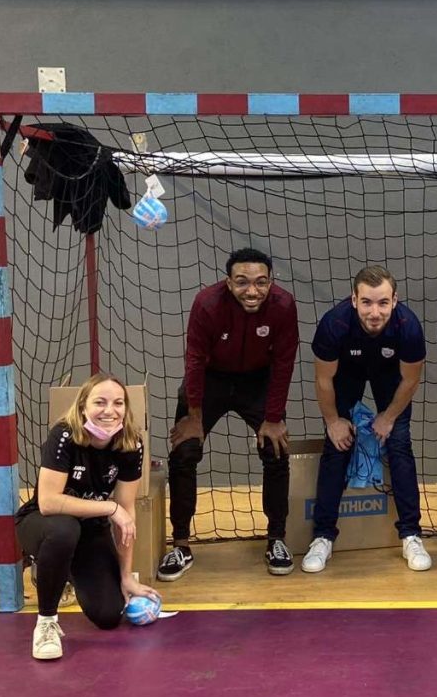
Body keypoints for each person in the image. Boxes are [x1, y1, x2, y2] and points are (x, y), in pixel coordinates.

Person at [159, 247, 300, 581]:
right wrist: (194, 416)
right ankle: (181, 545)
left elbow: (284, 362)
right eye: (242, 282)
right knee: (184, 452)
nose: (252, 291)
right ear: (228, 282)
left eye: (260, 282)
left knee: (276, 449)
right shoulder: (207, 304)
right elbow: (195, 359)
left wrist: (273, 417)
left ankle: (276, 540)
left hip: (257, 380)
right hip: (211, 379)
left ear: (270, 282)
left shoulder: (283, 305)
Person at [16, 374, 159, 660]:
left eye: (118, 403)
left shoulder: (131, 443)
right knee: (63, 531)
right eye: (100, 402)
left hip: (90, 529)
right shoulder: (64, 435)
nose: (110, 410)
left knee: (108, 614)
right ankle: (46, 623)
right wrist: (110, 508)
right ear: (83, 406)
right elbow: (49, 502)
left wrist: (126, 575)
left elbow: (127, 511)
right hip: (43, 522)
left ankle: (60, 567)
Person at [301, 266, 431, 573]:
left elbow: (411, 380)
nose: (375, 312)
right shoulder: (334, 324)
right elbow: (323, 380)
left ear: (394, 300)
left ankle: (411, 535)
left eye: (383, 303)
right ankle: (322, 537)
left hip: (390, 375)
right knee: (338, 445)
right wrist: (333, 421)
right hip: (347, 373)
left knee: (399, 442)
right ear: (354, 300)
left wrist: (389, 416)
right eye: (367, 302)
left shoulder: (408, 327)